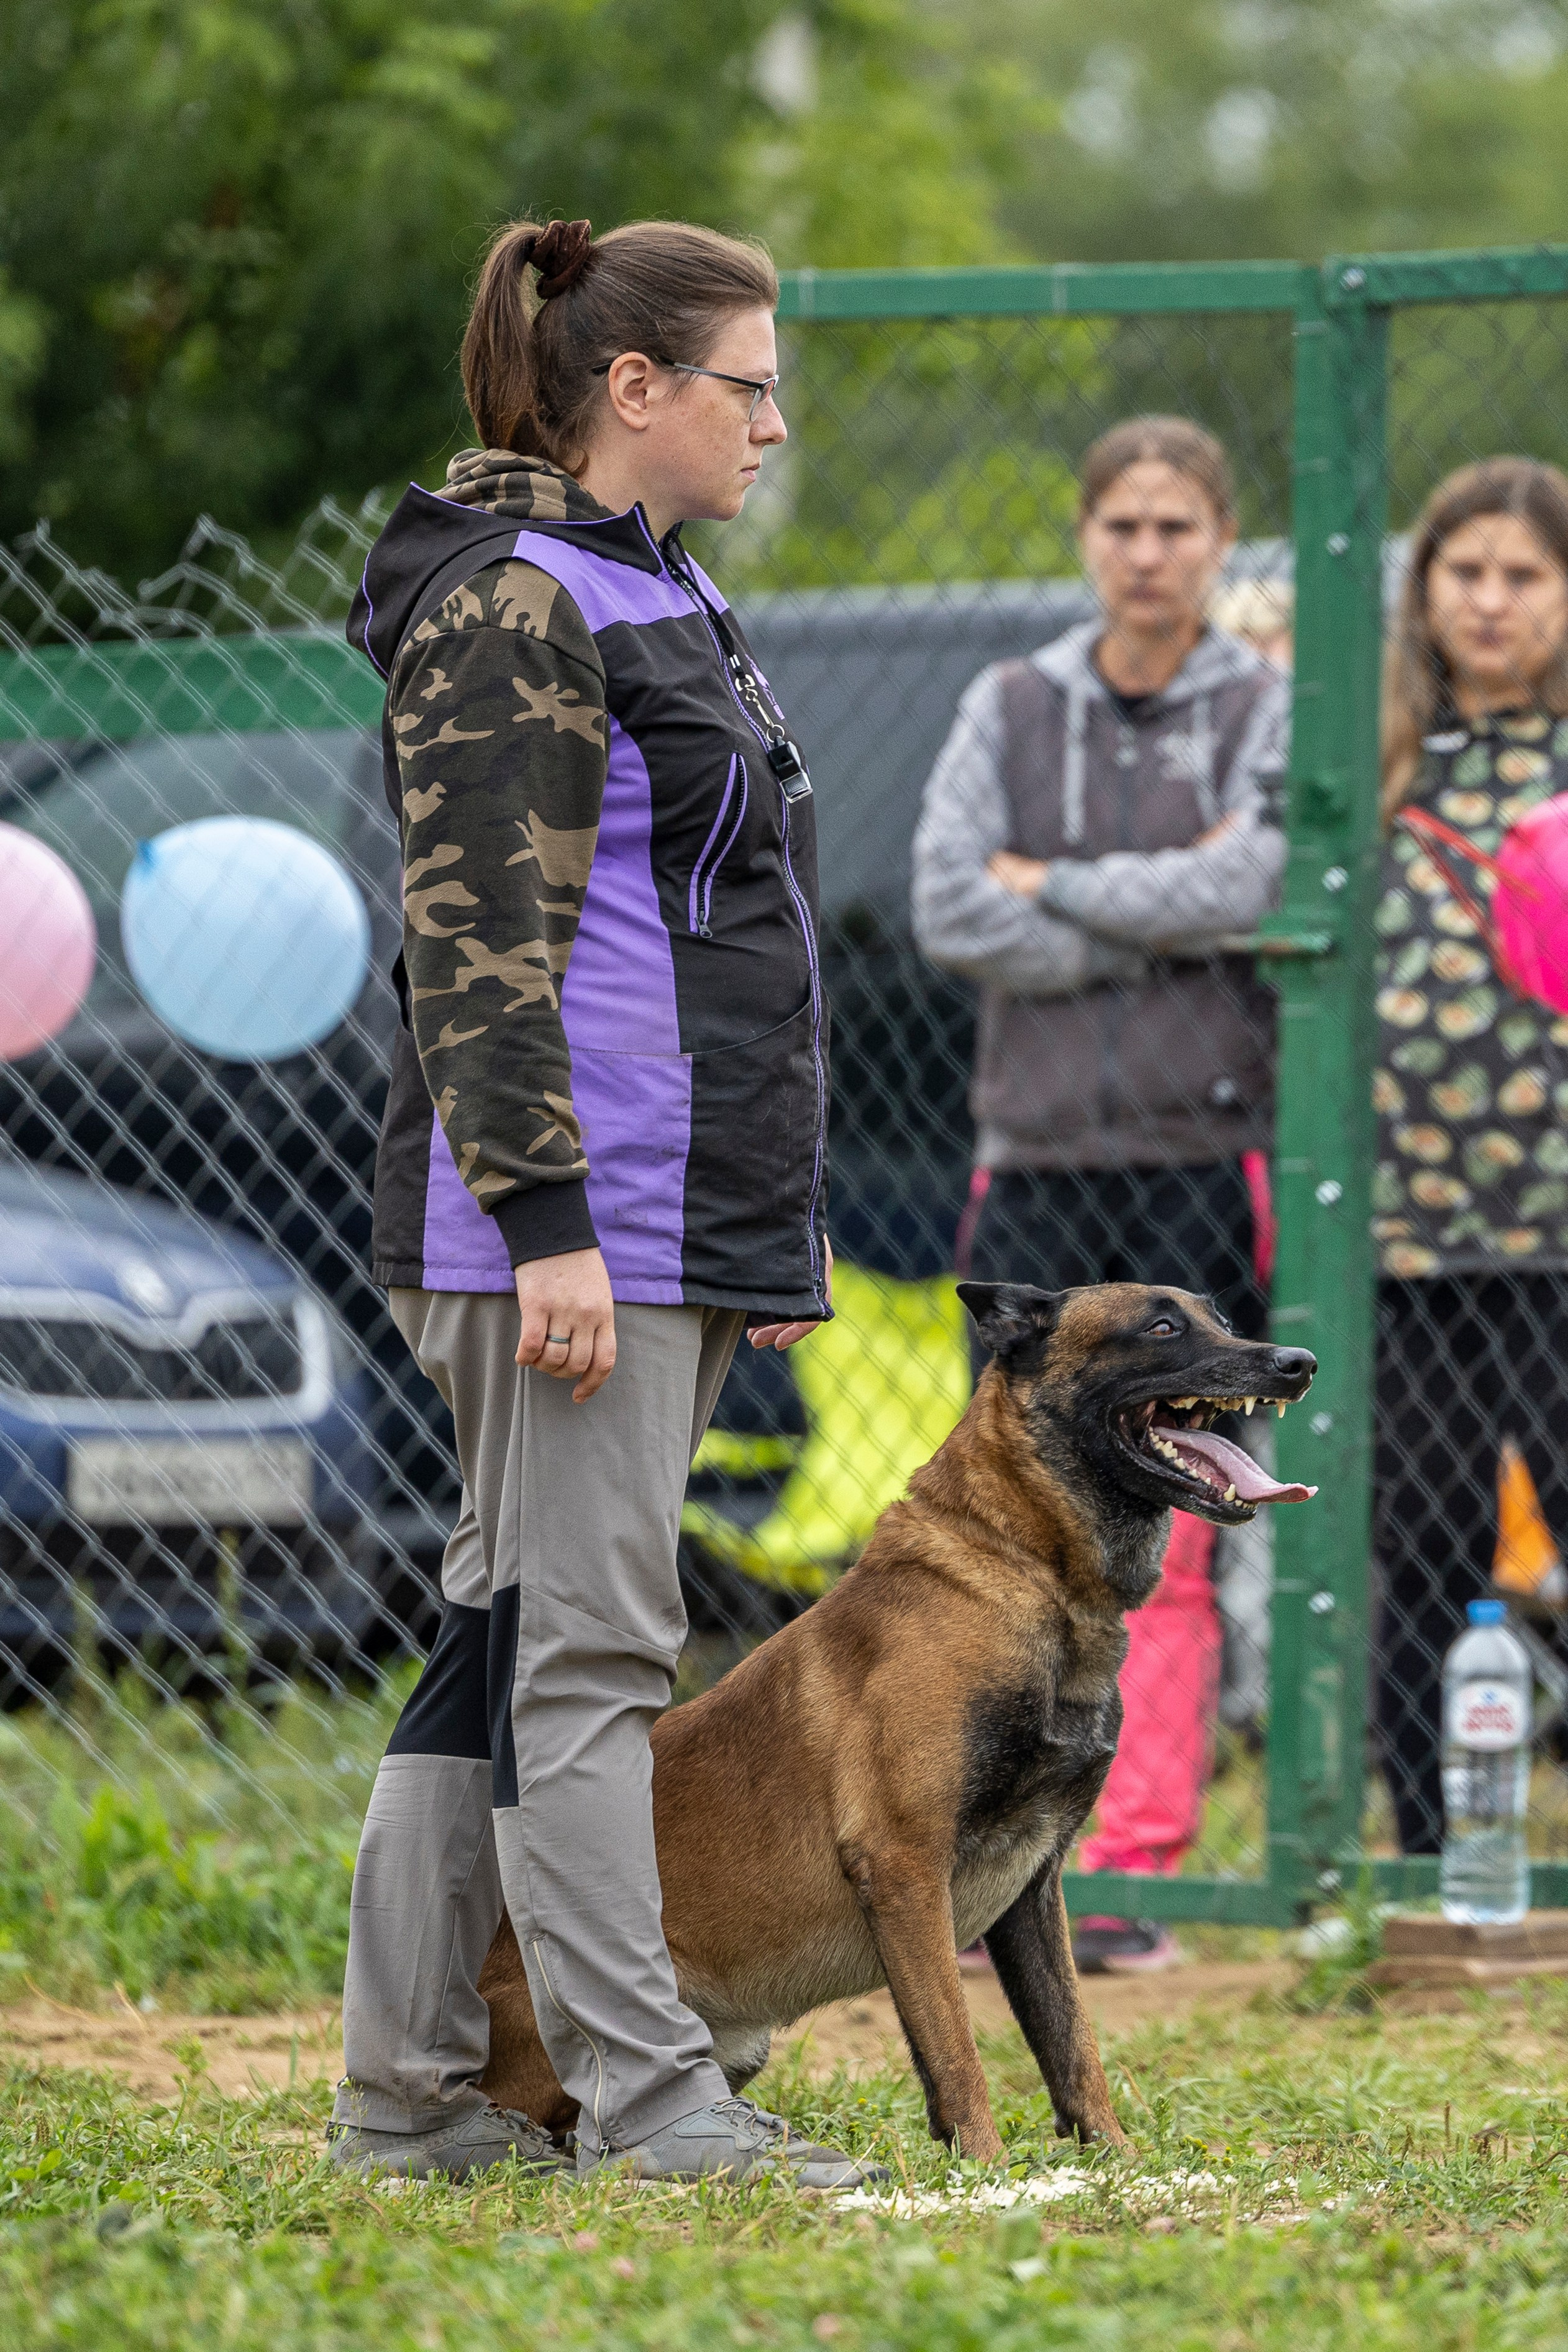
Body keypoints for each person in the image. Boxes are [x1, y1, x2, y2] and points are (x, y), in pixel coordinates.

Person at [328, 215, 877, 2189]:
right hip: (569, 1230)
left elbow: (726, 939)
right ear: (629, 389)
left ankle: (408, 2107)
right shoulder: (514, 601)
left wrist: (765, 1240)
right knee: (584, 1668)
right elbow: (479, 950)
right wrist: (552, 1220)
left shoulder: (645, 586)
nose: (775, 424)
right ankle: (652, 2105)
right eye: (748, 385)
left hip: (663, 1224)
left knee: (497, 1643)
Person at [913, 416, 1289, 1973]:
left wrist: (1046, 886)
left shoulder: (1268, 704)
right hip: (1036, 1172)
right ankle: (985, 1856)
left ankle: (1129, 1870)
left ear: (1219, 542)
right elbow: (944, 901)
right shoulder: (1006, 704)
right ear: (1086, 537)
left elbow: (1258, 882)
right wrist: (1150, 915)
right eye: (1122, 526)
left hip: (1202, 1164)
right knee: (999, 1520)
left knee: (1182, 1530)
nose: (1147, 553)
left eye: (1176, 528)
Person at [1373, 456, 1568, 1854]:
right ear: (1422, 591)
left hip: (1558, 1223)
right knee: (1423, 1543)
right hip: (1400, 1235)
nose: (1489, 602)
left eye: (1521, 576)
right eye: (1464, 573)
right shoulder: (1367, 757)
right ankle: (1431, 1845)